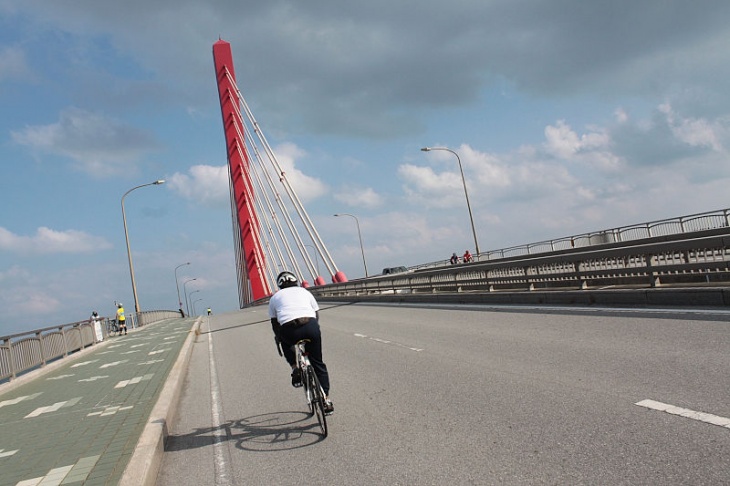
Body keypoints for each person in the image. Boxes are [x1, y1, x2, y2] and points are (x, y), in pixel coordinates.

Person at [269, 271, 334, 415]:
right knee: (318, 363)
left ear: (280, 285)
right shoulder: (305, 292)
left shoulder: (274, 298)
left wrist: (279, 338)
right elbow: (316, 314)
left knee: (285, 342)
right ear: (295, 281)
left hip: (289, 330)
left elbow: (275, 324)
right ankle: (326, 399)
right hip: (310, 326)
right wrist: (313, 330)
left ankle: (294, 368)